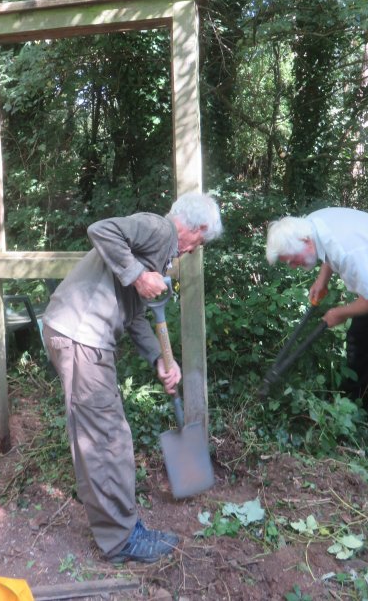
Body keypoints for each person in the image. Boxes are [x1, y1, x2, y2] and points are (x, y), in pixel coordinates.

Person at [42, 192, 222, 563]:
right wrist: (139, 275)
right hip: (81, 334)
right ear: (195, 227)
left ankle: (119, 528)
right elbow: (101, 229)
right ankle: (121, 540)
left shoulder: (160, 251)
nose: (192, 251)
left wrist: (158, 357)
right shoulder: (158, 229)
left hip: (82, 335)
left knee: (106, 435)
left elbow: (136, 313)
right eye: (198, 243)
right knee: (106, 438)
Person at [266, 207, 368, 422]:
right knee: (359, 341)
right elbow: (328, 251)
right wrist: (322, 280)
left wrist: (340, 313)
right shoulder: (310, 225)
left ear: (305, 242)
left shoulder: (348, 251)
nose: (293, 266)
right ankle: (352, 404)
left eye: (292, 260)